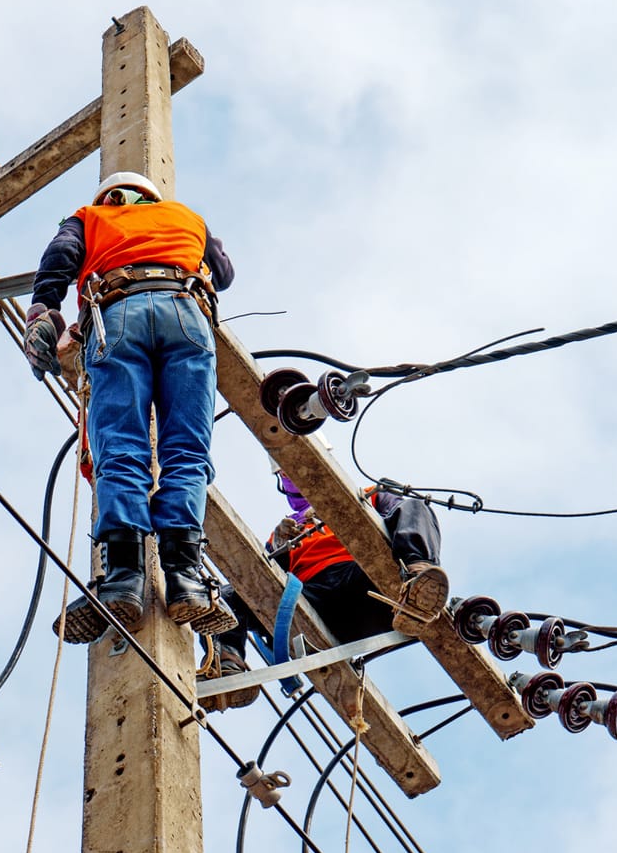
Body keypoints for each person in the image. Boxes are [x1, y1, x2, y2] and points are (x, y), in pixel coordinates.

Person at [25, 171, 234, 642]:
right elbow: (223, 273)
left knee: (120, 449)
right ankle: (186, 581)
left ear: (109, 198)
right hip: (187, 313)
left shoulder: (88, 218)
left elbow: (60, 257)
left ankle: (123, 579)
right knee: (188, 452)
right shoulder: (188, 218)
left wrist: (43, 311)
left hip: (118, 312)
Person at [198, 468, 446, 712]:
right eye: (284, 474)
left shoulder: (366, 495)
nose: (291, 477)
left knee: (415, 506)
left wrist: (342, 508)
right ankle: (226, 662)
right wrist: (279, 549)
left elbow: (407, 514)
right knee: (227, 595)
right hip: (311, 601)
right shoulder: (286, 531)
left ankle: (418, 581)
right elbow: (260, 585)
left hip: (365, 585)